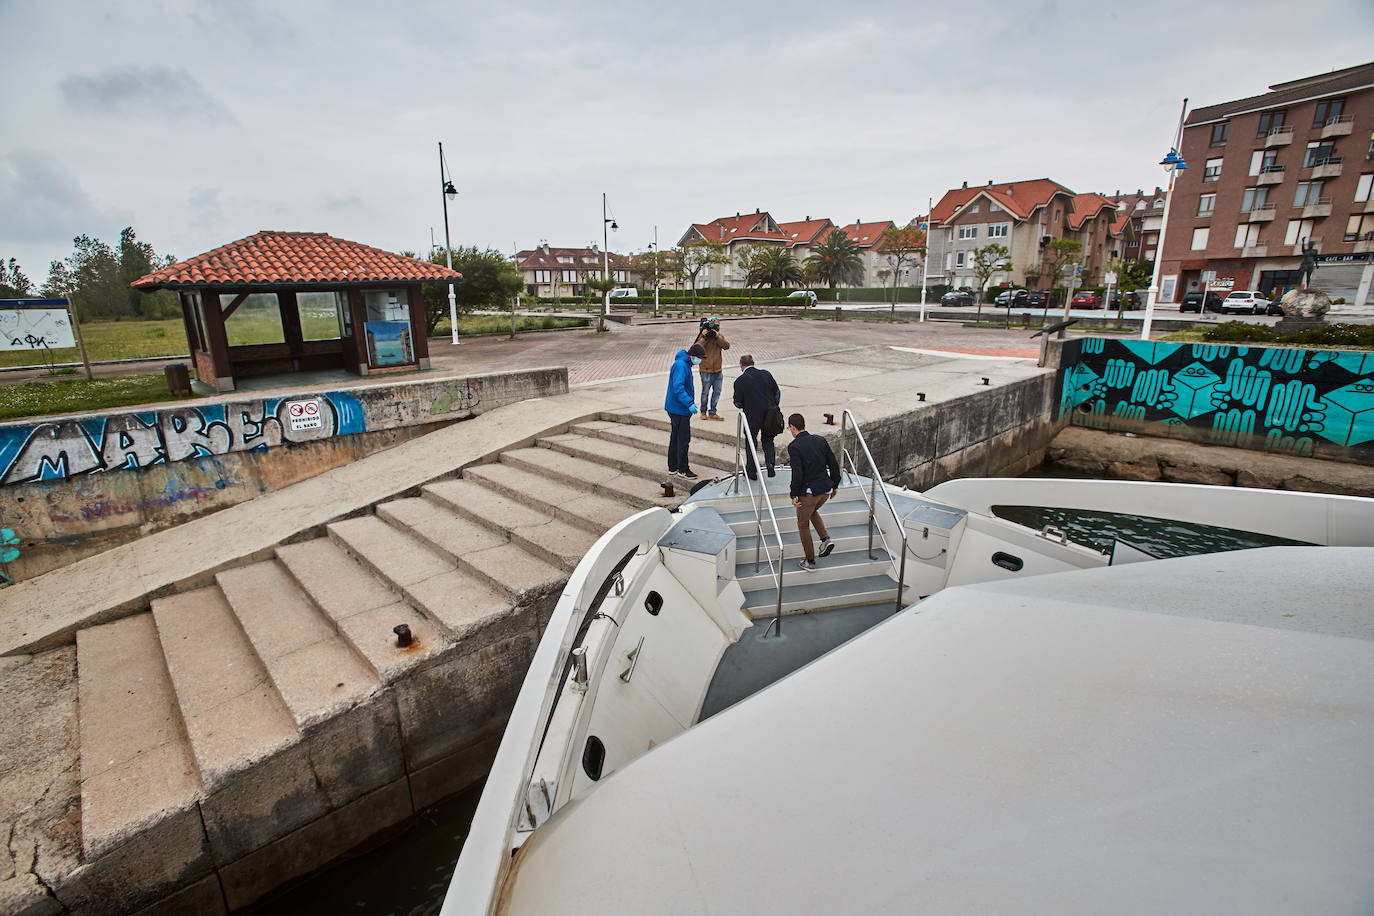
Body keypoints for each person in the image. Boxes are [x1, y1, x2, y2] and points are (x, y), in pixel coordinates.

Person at [786, 413, 840, 572]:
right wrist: (835, 485)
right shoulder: (820, 440)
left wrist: (793, 494)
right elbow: (833, 464)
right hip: (824, 491)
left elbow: (798, 473)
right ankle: (825, 539)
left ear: (793, 427)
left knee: (803, 525)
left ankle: (810, 561)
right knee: (812, 512)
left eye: (789, 428)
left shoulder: (794, 446)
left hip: (808, 493)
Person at [732, 354, 781, 480]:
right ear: (753, 363)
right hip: (769, 414)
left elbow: (738, 403)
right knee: (768, 440)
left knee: (751, 443)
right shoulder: (766, 374)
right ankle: (770, 463)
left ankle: (752, 471)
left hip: (751, 416)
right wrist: (774, 406)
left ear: (741, 366)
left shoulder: (739, 381)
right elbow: (777, 392)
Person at [665, 343, 706, 479]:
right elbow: (678, 387)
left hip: (676, 408)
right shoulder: (681, 365)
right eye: (699, 358)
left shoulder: (683, 363)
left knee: (675, 438)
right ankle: (683, 469)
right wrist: (689, 403)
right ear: (693, 356)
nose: (699, 361)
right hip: (680, 409)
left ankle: (673, 466)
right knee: (683, 440)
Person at [693, 318, 730, 420]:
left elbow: (726, 346)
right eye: (714, 327)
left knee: (717, 392)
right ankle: (703, 412)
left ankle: (713, 412)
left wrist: (717, 336)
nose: (716, 329)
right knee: (705, 392)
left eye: (717, 327)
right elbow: (696, 348)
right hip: (706, 370)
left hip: (718, 370)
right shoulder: (703, 337)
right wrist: (704, 337)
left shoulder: (719, 337)